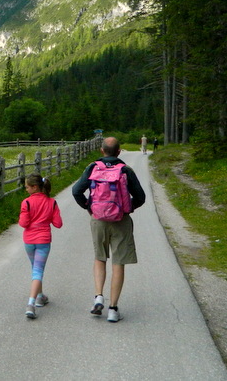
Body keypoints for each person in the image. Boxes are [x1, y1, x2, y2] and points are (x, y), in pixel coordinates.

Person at [72, 136, 146, 322]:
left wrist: (89, 207)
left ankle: (98, 296)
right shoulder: (126, 170)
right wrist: (127, 208)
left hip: (98, 219)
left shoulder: (92, 167)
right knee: (118, 262)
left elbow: (76, 191)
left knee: (99, 257)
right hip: (121, 220)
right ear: (119, 152)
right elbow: (141, 197)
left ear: (101, 150)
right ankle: (113, 309)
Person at [19, 174, 63, 319]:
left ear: (35, 187)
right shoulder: (52, 202)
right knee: (38, 271)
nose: (26, 189)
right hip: (43, 240)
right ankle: (31, 303)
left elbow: (23, 223)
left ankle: (40, 296)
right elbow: (58, 224)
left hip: (29, 240)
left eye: (27, 187)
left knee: (35, 269)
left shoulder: (26, 203)